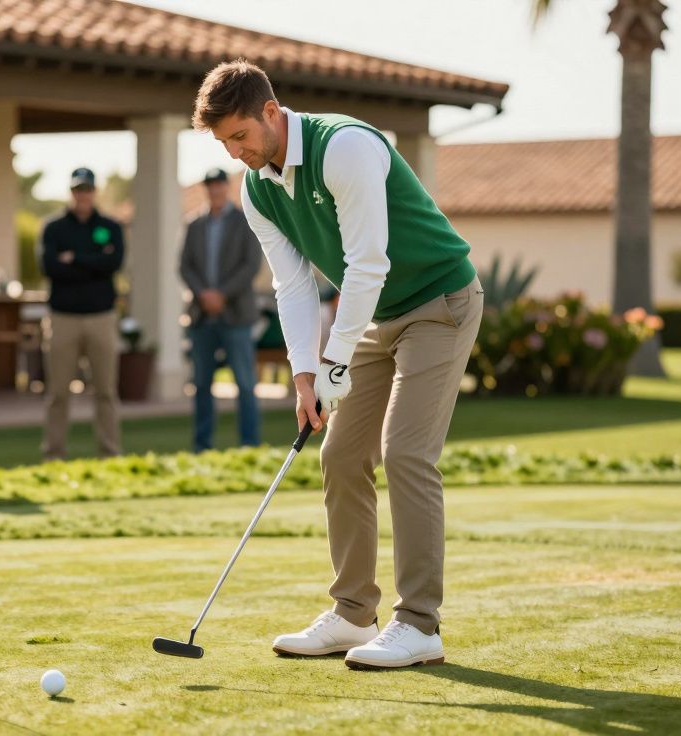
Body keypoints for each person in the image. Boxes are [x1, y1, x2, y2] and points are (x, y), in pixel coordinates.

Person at [193, 60, 484, 669]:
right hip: (377, 315)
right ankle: (353, 614)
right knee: (341, 454)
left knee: (405, 451)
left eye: (241, 136)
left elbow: (367, 263)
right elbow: (293, 285)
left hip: (440, 301)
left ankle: (419, 624)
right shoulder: (257, 188)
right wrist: (307, 376)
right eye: (225, 144)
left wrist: (334, 364)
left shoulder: (344, 147)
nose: (237, 152)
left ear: (271, 113)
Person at [39, 167, 124, 461]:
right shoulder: (54, 227)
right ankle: (54, 454)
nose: (82, 195)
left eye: (87, 190)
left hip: (101, 316)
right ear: (71, 192)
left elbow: (113, 262)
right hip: (63, 318)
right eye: (78, 190)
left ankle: (109, 453)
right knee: (58, 392)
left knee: (105, 391)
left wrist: (74, 258)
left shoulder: (109, 226)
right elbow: (50, 267)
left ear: (94, 192)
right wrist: (93, 262)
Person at [179, 167, 263, 452]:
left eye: (218, 185)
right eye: (210, 186)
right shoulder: (194, 224)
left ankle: (249, 445)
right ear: (206, 189)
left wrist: (221, 294)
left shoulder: (244, 222)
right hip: (201, 316)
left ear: (226, 187)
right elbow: (185, 266)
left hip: (236, 315)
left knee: (245, 383)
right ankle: (202, 446)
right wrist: (204, 295)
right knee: (201, 385)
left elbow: (250, 265)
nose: (214, 190)